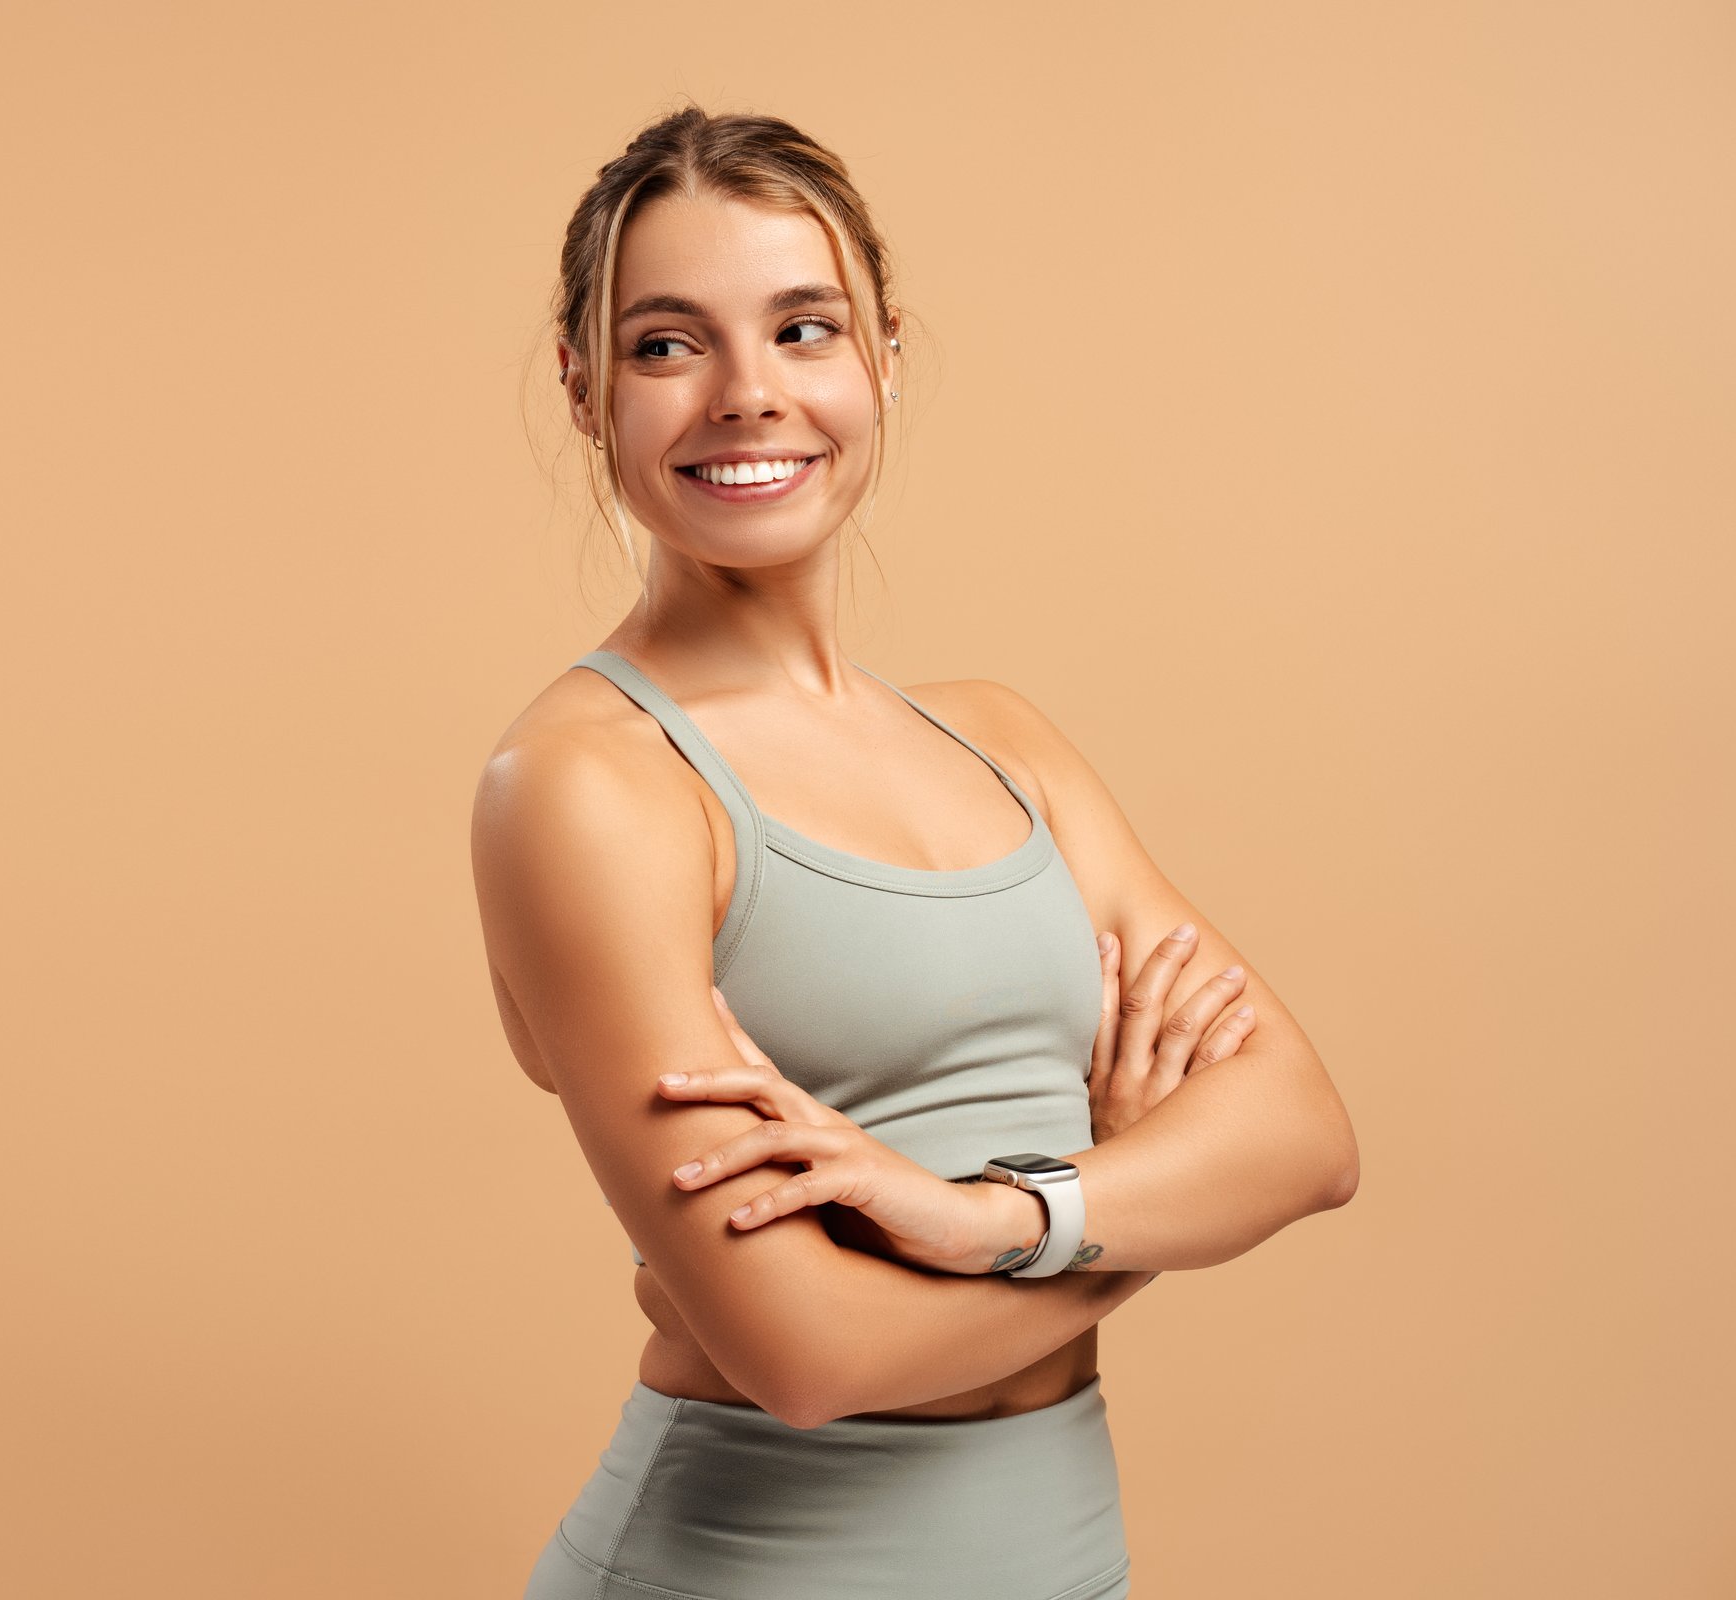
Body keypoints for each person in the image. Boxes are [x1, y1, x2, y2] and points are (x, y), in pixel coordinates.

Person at [469, 106, 1360, 1600]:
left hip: (1062, 1556)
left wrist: (984, 1218)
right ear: (583, 387)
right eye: (668, 345)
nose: (748, 396)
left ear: (884, 354)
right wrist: (1135, 1214)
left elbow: (1307, 1138)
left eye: (802, 329)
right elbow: (809, 1355)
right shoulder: (587, 784)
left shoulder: (1003, 741)